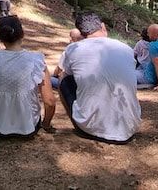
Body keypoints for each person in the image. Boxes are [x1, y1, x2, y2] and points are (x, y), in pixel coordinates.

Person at [58, 12, 141, 144]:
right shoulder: (126, 48)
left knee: (64, 80)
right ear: (103, 27)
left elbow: (65, 73)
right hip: (131, 125)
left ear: (81, 33)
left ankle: (80, 125)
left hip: (92, 129)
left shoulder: (73, 48)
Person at [0, 16, 56, 137]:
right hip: (27, 126)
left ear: (0, 38)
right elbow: (50, 102)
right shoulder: (36, 61)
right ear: (22, 34)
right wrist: (45, 124)